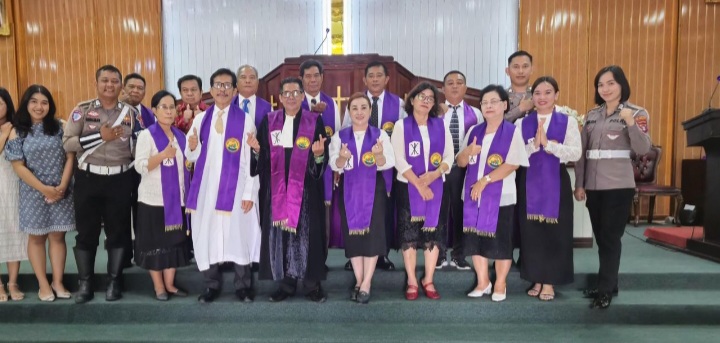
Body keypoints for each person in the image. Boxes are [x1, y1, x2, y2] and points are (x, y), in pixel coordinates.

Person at [574, 65, 651, 309]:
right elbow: (581, 153)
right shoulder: (592, 115)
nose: (605, 89)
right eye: (601, 84)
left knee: (610, 238)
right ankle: (610, 282)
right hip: (594, 186)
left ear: (621, 85)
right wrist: (579, 184)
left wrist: (630, 124)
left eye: (610, 83)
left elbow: (642, 149)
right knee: (602, 238)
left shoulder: (636, 113)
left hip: (619, 185)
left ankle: (605, 290)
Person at [249, 77, 329, 303]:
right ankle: (285, 284)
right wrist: (255, 152)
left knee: (308, 237)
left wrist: (319, 155)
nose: (291, 97)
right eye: (287, 93)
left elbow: (322, 156)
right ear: (280, 97)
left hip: (306, 192)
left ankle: (312, 285)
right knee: (281, 238)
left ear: (303, 96)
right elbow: (262, 156)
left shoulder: (314, 121)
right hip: (277, 192)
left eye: (296, 93)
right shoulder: (269, 121)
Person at [63, 65, 138, 303]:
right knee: (86, 232)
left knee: (118, 232)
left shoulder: (130, 112)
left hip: (120, 178)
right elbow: (67, 143)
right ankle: (85, 283)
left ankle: (114, 282)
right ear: (96, 83)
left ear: (120, 86)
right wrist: (97, 137)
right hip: (88, 178)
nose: (110, 85)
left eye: (115, 81)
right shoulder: (82, 110)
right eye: (105, 80)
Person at [185, 68, 261, 303]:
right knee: (208, 234)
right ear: (210, 90)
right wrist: (193, 146)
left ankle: (243, 286)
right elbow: (191, 155)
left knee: (239, 234)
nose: (223, 89)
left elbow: (252, 159)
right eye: (218, 85)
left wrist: (249, 192)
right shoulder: (200, 119)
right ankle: (211, 285)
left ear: (235, 90)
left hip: (236, 189)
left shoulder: (244, 119)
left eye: (228, 85)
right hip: (207, 190)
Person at [456, 85, 529, 302]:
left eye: (493, 101)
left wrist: (484, 181)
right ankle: (483, 281)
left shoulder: (513, 131)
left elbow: (513, 164)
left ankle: (500, 283)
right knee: (475, 241)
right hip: (473, 196)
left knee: (501, 243)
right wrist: (468, 152)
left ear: (504, 105)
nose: (488, 106)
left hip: (501, 197)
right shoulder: (473, 132)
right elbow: (460, 162)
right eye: (485, 102)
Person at [6, 85, 75, 302]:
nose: (39, 106)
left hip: (61, 190)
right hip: (33, 192)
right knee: (36, 238)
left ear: (50, 105)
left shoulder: (60, 126)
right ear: (26, 104)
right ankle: (43, 284)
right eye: (34, 101)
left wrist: (62, 185)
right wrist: (44, 188)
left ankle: (57, 281)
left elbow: (70, 157)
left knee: (58, 236)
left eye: (44, 102)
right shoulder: (17, 131)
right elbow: (18, 166)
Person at [516, 77, 581, 301]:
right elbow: (514, 156)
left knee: (556, 232)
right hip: (528, 183)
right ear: (531, 97)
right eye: (537, 93)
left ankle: (550, 280)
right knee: (532, 232)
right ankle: (536, 276)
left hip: (556, 183)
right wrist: (534, 145)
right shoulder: (522, 123)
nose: (542, 97)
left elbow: (576, 152)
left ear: (556, 95)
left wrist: (550, 145)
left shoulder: (568, 122)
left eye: (547, 92)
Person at [339, 61, 406, 271]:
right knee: (355, 207)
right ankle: (356, 254)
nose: (375, 79)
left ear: (387, 79)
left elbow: (403, 135)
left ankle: (382, 254)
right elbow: (344, 132)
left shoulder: (400, 104)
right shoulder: (356, 104)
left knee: (382, 211)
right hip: (357, 169)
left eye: (379, 75)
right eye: (371, 75)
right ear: (364, 80)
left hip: (385, 166)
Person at [330, 92, 395, 303]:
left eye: (363, 108)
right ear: (349, 111)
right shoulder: (340, 137)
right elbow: (334, 165)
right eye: (355, 108)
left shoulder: (380, 135)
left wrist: (378, 156)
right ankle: (359, 280)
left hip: (373, 190)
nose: (359, 112)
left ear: (370, 111)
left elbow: (388, 163)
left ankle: (367, 282)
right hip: (348, 190)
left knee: (372, 236)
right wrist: (342, 157)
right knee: (353, 236)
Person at [391, 82, 453, 301]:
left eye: (430, 98)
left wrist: (434, 175)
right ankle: (411, 280)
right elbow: (398, 158)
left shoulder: (441, 125)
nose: (426, 101)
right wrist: (419, 183)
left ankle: (428, 278)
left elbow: (449, 157)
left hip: (436, 187)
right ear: (412, 99)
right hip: (408, 187)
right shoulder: (401, 126)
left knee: (432, 233)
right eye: (422, 96)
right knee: (409, 234)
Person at [133, 90, 191, 301]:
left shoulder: (180, 136)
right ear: (155, 111)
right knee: (154, 244)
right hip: (153, 200)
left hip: (177, 199)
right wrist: (162, 156)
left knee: (173, 243)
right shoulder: (146, 135)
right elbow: (140, 167)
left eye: (171, 107)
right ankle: (159, 287)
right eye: (163, 107)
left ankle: (170, 284)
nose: (168, 111)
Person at [436, 70, 483, 271]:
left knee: (461, 212)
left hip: (465, 170)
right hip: (439, 169)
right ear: (443, 88)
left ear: (465, 87)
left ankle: (459, 254)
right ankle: (437, 254)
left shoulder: (477, 113)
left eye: (459, 82)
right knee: (438, 212)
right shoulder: (435, 112)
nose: (455, 86)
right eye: (450, 83)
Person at [299, 60, 339, 250]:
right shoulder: (295, 101)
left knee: (324, 213)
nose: (312, 80)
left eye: (316, 75)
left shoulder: (331, 103)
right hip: (301, 168)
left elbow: (337, 135)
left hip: (325, 167)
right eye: (308, 76)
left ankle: (321, 257)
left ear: (322, 78)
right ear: (301, 79)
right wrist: (312, 115)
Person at [0, 87, 28, 302]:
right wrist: (3, 134)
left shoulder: (17, 127)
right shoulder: (7, 129)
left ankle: (13, 281)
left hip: (12, 184)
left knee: (13, 230)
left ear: (7, 106)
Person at [234, 64, 273, 129]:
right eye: (243, 77)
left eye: (252, 77)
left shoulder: (267, 107)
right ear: (237, 83)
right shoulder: (229, 105)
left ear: (258, 83)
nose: (248, 81)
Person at [504, 51, 535, 123]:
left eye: (525, 66)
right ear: (507, 71)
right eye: (516, 67)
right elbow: (494, 123)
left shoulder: (538, 95)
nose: (521, 71)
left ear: (531, 70)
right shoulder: (500, 96)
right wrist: (520, 109)